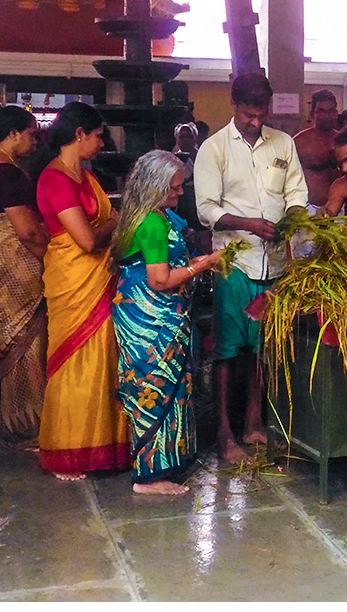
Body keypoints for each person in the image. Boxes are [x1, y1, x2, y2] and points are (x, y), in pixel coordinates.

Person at [194, 73, 309, 464]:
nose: (256, 122)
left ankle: (254, 422)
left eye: (261, 114)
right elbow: (206, 209)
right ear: (233, 104)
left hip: (275, 265)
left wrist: (292, 219)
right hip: (235, 264)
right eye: (248, 115)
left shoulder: (283, 144)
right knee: (228, 351)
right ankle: (225, 434)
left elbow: (296, 193)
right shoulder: (213, 149)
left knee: (263, 349)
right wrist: (249, 224)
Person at [111, 151, 224, 495]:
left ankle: (168, 462)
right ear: (156, 186)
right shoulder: (154, 223)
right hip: (149, 314)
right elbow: (160, 280)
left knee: (167, 384)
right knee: (154, 386)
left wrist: (196, 261)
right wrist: (204, 266)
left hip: (156, 309)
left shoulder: (156, 216)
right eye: (174, 188)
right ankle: (148, 477)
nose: (179, 194)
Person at [35, 102, 130, 480]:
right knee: (73, 361)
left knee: (104, 358)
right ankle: (69, 449)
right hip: (74, 280)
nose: (102, 142)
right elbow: (87, 240)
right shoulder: (54, 179)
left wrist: (112, 222)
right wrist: (116, 222)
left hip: (98, 279)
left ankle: (104, 445)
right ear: (79, 135)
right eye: (98, 136)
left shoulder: (84, 177)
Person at [0, 106, 50, 451]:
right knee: (25, 340)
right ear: (13, 134)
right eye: (32, 134)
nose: (35, 141)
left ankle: (11, 421)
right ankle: (24, 426)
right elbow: (27, 232)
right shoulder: (7, 173)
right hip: (13, 263)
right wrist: (51, 262)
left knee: (11, 336)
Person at [293, 90, 340, 210]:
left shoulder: (344, 141)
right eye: (322, 111)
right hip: (310, 208)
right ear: (312, 114)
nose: (327, 116)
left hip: (340, 207)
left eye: (331, 111)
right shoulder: (299, 142)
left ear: (336, 113)